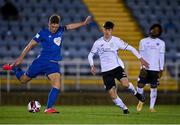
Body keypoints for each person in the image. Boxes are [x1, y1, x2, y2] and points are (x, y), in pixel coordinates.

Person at [3, 14, 91, 113]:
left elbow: (70, 26)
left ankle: (48, 108)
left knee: (57, 84)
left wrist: (83, 23)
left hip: (53, 64)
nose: (54, 29)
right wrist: (20, 59)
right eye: (52, 26)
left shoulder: (60, 30)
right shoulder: (42, 33)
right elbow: (29, 46)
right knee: (23, 80)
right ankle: (14, 68)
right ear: (49, 24)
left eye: (56, 27)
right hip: (41, 62)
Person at [88, 21, 149, 114]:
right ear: (103, 30)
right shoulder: (98, 43)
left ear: (112, 30)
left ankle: (137, 94)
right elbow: (90, 55)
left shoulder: (116, 40)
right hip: (106, 71)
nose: (107, 31)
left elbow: (131, 48)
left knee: (125, 84)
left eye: (109, 29)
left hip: (116, 68)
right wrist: (92, 65)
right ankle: (125, 109)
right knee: (112, 95)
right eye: (106, 29)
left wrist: (141, 59)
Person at [136, 24, 165, 113]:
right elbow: (141, 55)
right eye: (153, 29)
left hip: (155, 69)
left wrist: (161, 69)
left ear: (159, 33)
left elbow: (161, 56)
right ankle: (141, 100)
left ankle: (151, 107)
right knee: (140, 85)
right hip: (145, 68)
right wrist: (142, 67)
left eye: (157, 30)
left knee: (154, 87)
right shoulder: (143, 41)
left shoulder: (161, 43)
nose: (155, 31)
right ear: (150, 30)